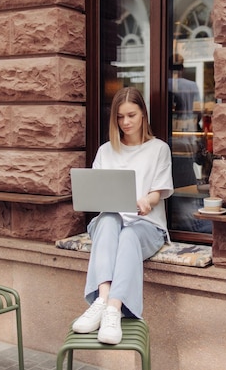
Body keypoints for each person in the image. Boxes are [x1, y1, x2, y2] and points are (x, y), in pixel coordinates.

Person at [71, 86, 174, 344]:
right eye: (120, 116)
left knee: (128, 234)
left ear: (143, 115)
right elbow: (95, 191)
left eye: (131, 115)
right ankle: (103, 302)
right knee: (107, 219)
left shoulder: (159, 148)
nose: (125, 122)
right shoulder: (106, 151)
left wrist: (146, 201)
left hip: (147, 225)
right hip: (111, 223)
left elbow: (158, 192)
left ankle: (113, 310)